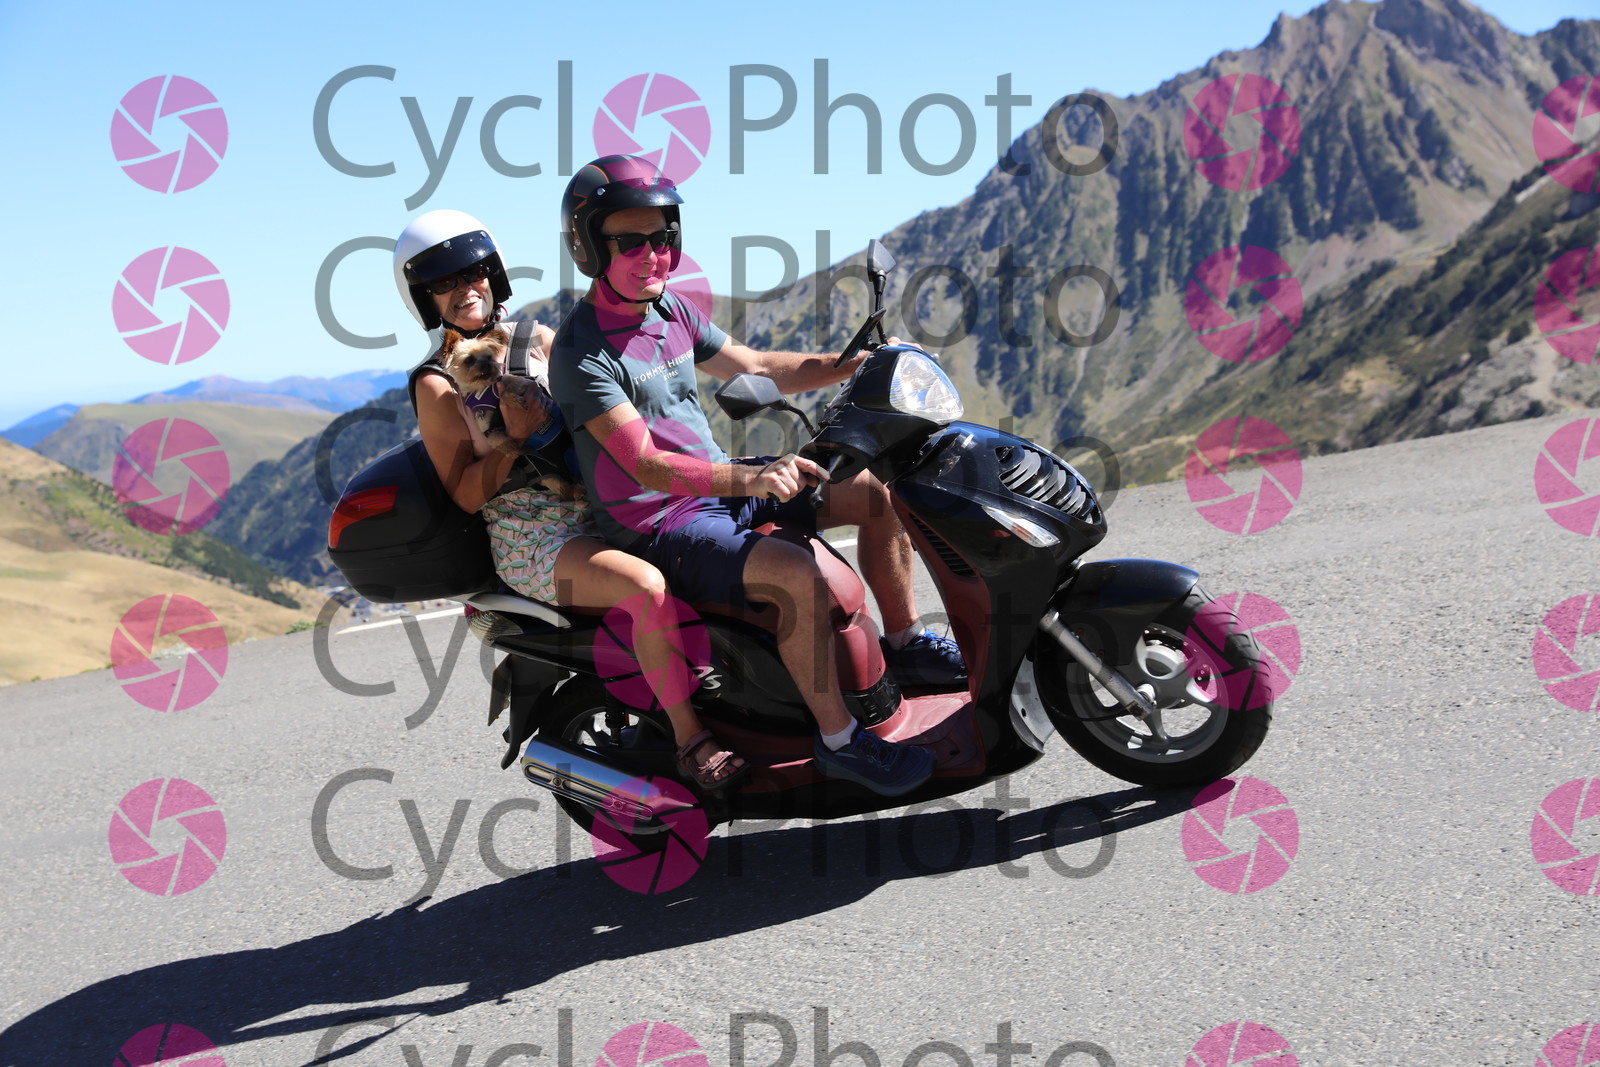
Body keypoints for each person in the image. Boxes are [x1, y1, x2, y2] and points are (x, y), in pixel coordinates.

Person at [548, 155, 965, 798]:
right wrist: (752, 480)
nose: (652, 256)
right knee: (795, 574)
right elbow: (646, 464)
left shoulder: (670, 310)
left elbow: (759, 365)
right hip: (657, 522)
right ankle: (839, 741)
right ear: (588, 246)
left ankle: (905, 642)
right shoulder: (582, 351)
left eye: (663, 238)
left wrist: (855, 363)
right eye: (630, 242)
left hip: (719, 490)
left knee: (874, 494)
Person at [393, 209, 750, 792]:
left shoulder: (538, 340)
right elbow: (463, 494)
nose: (465, 289)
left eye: (474, 272)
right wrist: (513, 441)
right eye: (443, 283)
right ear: (423, 298)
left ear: (493, 274)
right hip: (537, 538)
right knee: (646, 588)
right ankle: (692, 740)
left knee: (729, 549)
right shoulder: (439, 382)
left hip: (609, 505)